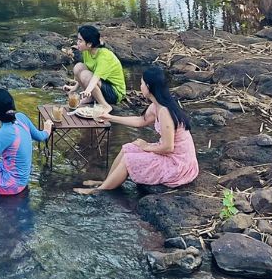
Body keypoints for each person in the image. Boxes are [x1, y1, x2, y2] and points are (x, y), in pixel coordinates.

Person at [73, 66, 199, 195]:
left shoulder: (164, 112)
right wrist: (110, 117)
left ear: (149, 87)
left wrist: (146, 147)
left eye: (142, 83)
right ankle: (107, 182)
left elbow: (168, 147)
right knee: (127, 148)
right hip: (169, 154)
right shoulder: (156, 105)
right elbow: (140, 121)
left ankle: (99, 191)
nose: (140, 86)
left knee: (129, 159)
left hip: (177, 164)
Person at [63, 25, 126, 115]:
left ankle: (105, 106)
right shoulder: (86, 52)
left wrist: (87, 91)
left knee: (85, 74)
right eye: (78, 40)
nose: (77, 43)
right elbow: (86, 72)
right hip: (100, 85)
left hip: (114, 93)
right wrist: (74, 88)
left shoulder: (104, 56)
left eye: (80, 41)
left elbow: (95, 77)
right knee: (79, 67)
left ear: (89, 44)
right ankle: (91, 98)